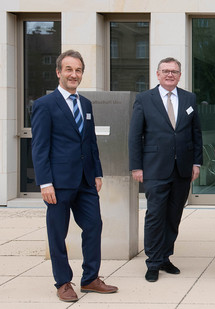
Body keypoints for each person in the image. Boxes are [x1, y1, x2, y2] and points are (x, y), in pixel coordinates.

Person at [31, 50, 118, 302]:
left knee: (94, 225)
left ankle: (90, 278)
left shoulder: (85, 104)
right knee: (58, 233)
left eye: (78, 70)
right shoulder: (44, 105)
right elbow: (39, 147)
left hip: (86, 181)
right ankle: (63, 281)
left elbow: (90, 142)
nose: (74, 74)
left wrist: (98, 173)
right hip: (57, 183)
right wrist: (45, 182)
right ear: (59, 72)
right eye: (69, 69)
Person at [128, 57, 203, 282]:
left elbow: (195, 133)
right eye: (166, 71)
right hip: (154, 168)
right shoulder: (144, 99)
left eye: (174, 71)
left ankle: (165, 257)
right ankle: (152, 262)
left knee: (173, 216)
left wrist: (196, 162)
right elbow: (134, 135)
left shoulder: (189, 98)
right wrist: (136, 167)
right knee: (155, 215)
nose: (170, 75)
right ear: (158, 74)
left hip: (182, 169)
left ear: (180, 75)